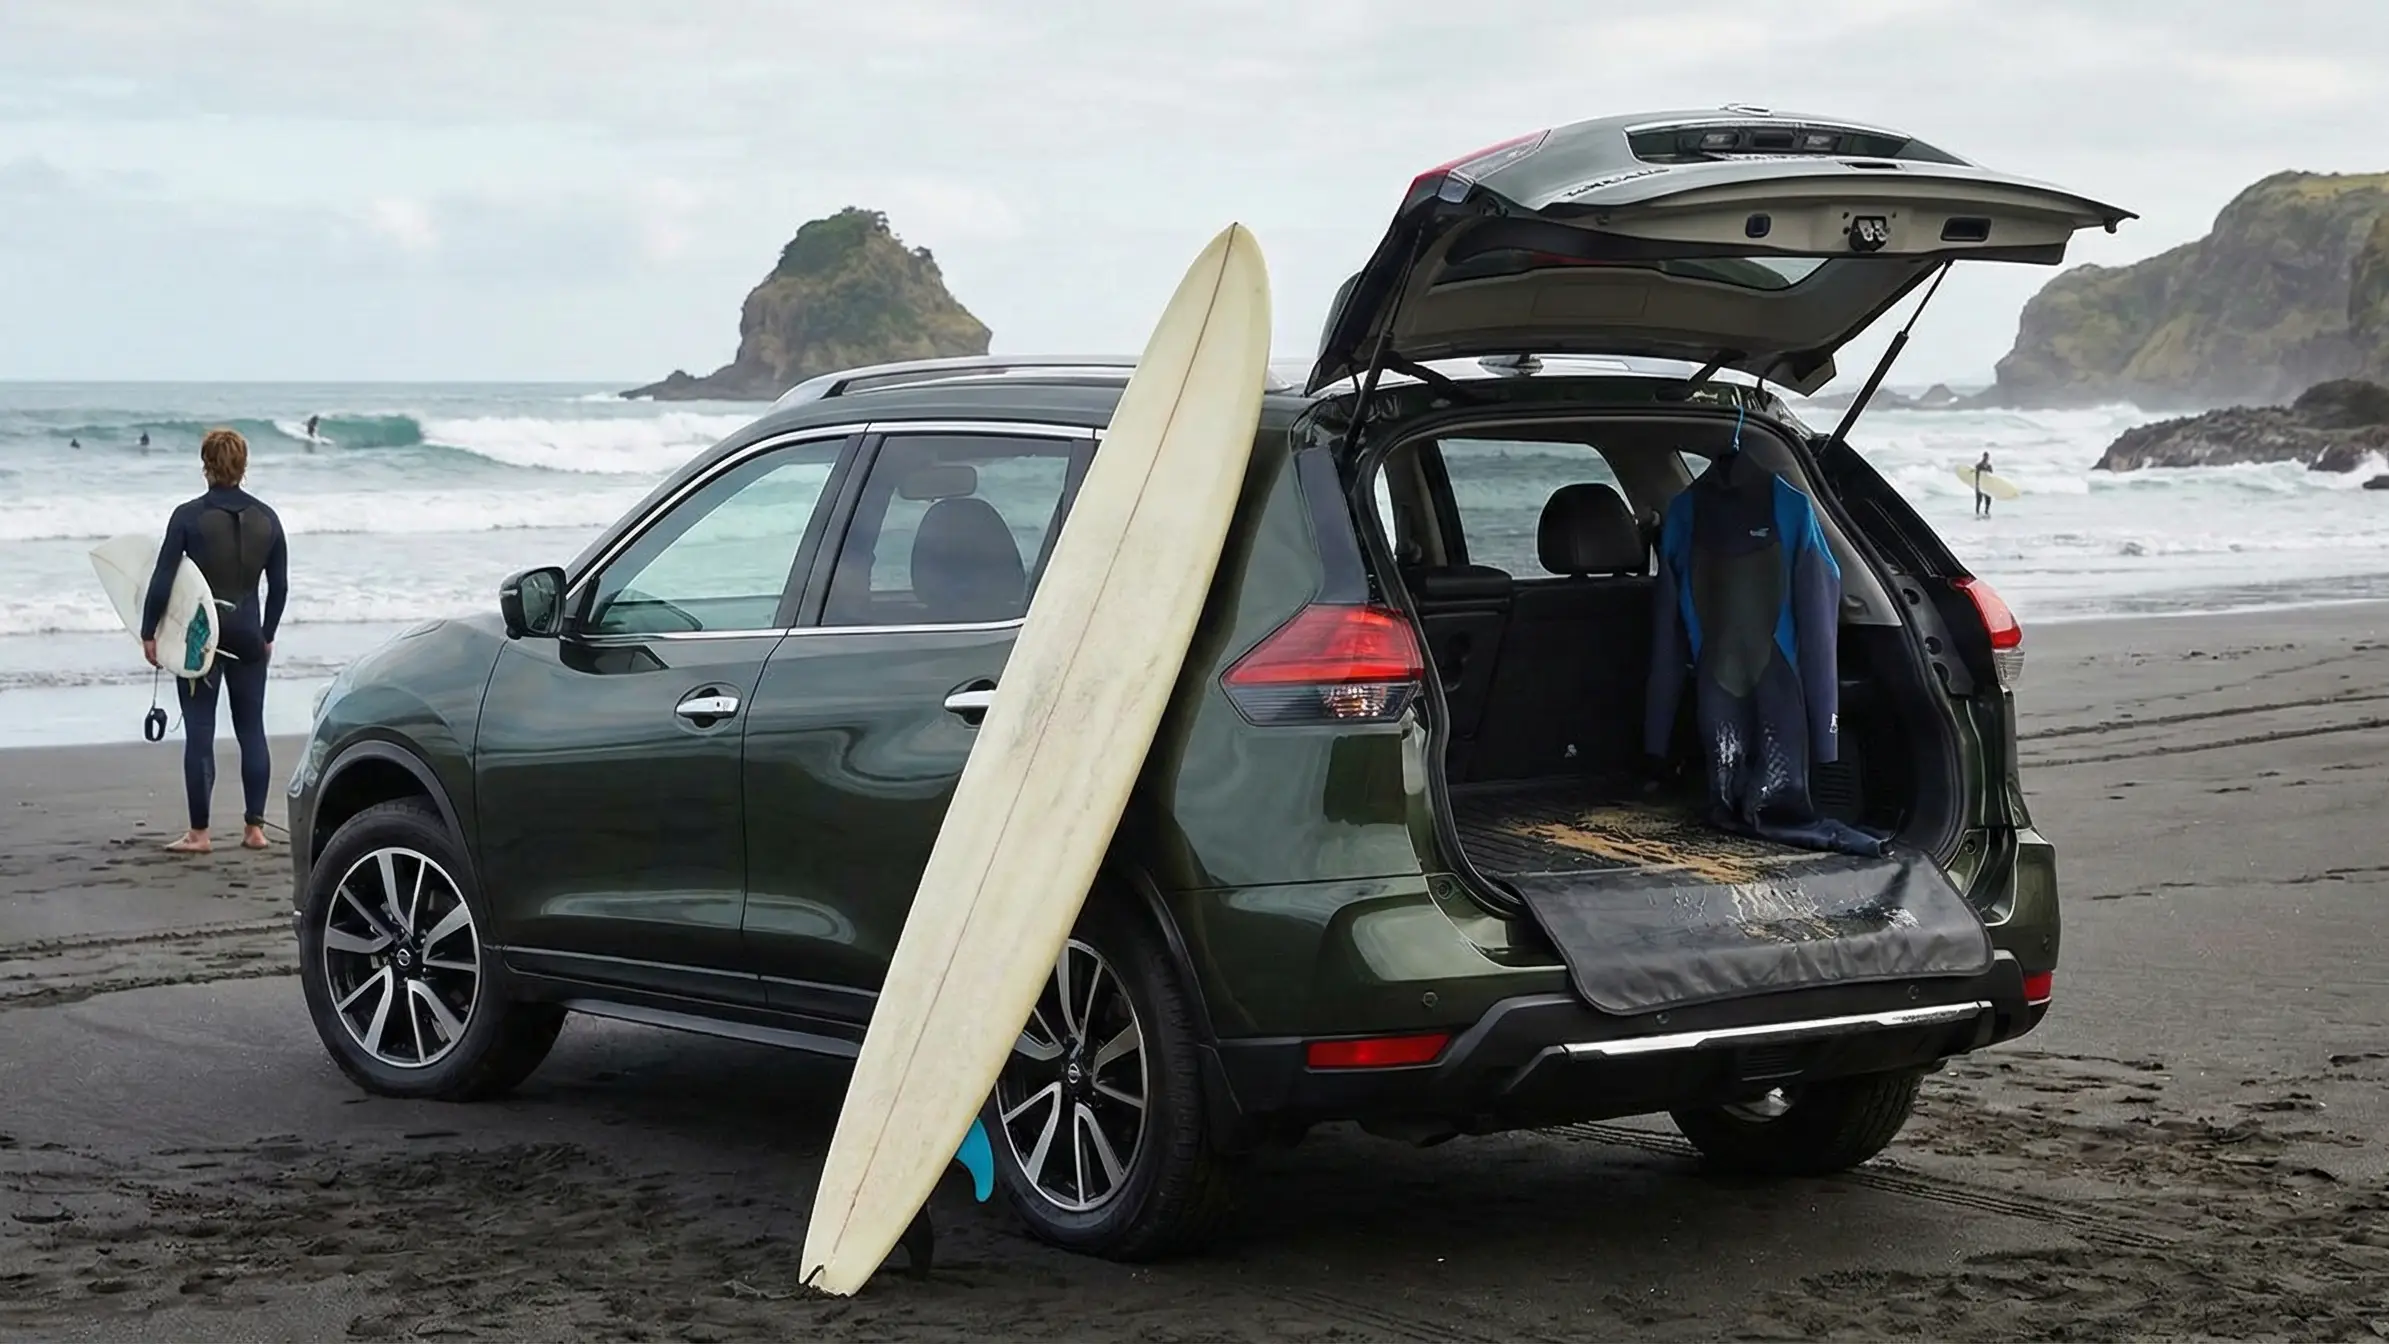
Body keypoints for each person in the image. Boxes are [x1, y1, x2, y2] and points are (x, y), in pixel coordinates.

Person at [141, 427, 288, 854]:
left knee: (200, 732)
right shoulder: (268, 518)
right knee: (252, 730)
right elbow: (279, 588)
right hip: (248, 635)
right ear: (244, 466)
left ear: (205, 464)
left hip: (200, 638)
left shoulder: (188, 516)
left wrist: (149, 632)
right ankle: (254, 830)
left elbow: (164, 579)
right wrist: (267, 635)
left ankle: (200, 834)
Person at [1972, 451, 1995, 518]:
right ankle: (1977, 513)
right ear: (1983, 457)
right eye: (1985, 457)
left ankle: (1986, 512)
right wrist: (1977, 485)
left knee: (1988, 500)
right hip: (1980, 484)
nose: (1986, 458)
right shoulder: (1979, 465)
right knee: (1979, 500)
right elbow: (1976, 475)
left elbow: (1990, 476)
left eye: (1987, 457)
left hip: (1987, 485)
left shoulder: (1989, 466)